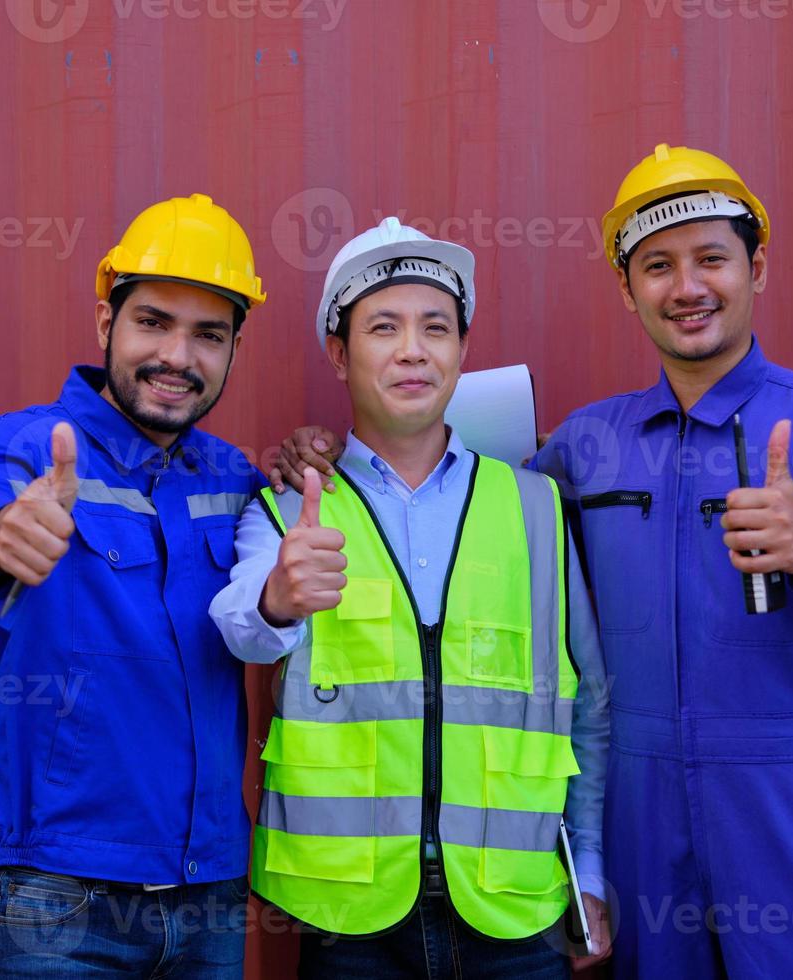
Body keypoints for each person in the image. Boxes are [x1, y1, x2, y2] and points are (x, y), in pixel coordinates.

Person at [271, 146, 793, 978]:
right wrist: (317, 452)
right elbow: (433, 472)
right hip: (644, 818)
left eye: (712, 259)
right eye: (657, 267)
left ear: (758, 267)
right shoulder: (588, 446)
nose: (688, 287)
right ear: (629, 290)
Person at [209, 218, 612, 978]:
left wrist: (586, 868)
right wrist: (277, 599)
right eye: (383, 328)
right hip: (350, 921)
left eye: (435, 327)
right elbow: (240, 628)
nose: (412, 350)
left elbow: (586, 704)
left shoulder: (536, 508)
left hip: (516, 911)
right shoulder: (290, 509)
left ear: (461, 350)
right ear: (339, 352)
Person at [0, 194, 268, 979]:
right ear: (106, 324)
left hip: (210, 890)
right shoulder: (33, 447)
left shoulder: (233, 478)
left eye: (208, 334)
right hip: (64, 899)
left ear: (233, 351)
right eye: (153, 321)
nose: (178, 355)